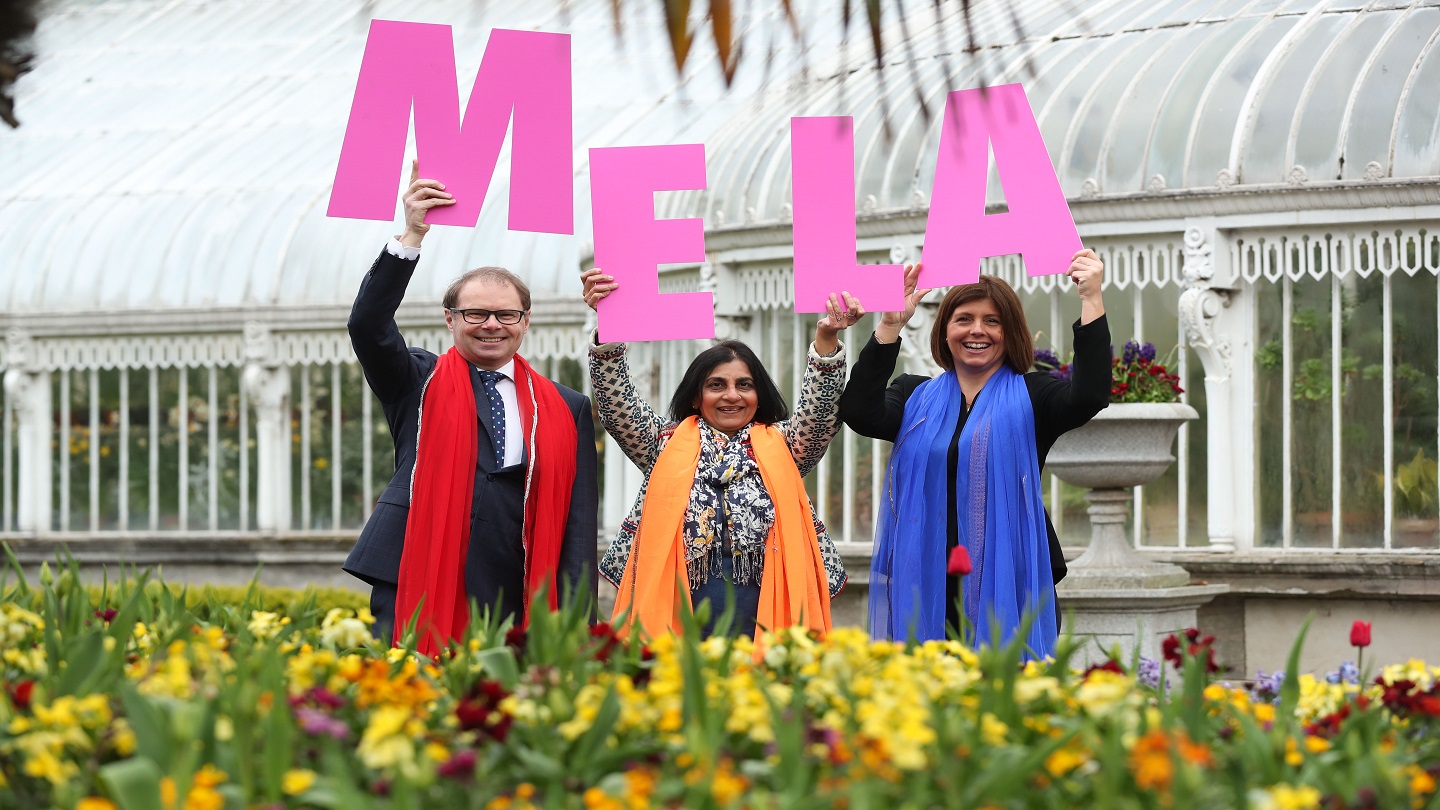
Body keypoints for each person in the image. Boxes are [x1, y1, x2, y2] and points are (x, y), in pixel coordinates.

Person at [344, 162, 598, 652]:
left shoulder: (567, 406)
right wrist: (411, 235)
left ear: (526, 322)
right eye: (476, 313)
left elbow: (577, 517)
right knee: (410, 691)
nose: (491, 325)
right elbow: (368, 326)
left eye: (506, 314)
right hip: (416, 557)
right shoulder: (417, 380)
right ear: (450, 319)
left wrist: (576, 612)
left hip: (518, 572)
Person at [839, 251, 1109, 657]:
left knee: (1003, 700)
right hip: (925, 578)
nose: (976, 330)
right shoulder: (914, 394)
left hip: (1010, 576)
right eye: (963, 319)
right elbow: (860, 413)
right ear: (945, 330)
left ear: (1010, 330)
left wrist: (1091, 299)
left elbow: (1089, 396)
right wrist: (890, 326)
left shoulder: (1033, 395)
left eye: (992, 320)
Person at [580, 268, 858, 640]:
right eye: (716, 385)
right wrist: (609, 326)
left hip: (767, 605)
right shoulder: (662, 444)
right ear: (697, 396)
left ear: (758, 396)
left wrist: (826, 337)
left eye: (744, 385)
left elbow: (820, 414)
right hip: (678, 607)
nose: (731, 395)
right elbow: (618, 408)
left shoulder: (784, 445)